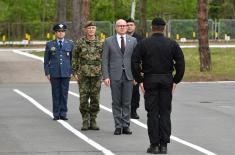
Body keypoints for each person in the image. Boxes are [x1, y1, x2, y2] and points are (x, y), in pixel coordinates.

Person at [131, 17, 185, 154]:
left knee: (153, 113)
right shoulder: (172, 43)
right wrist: (175, 80)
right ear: (164, 28)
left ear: (152, 28)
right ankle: (164, 145)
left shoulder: (143, 43)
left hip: (150, 80)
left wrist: (139, 79)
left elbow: (134, 62)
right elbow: (180, 63)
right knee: (165, 113)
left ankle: (154, 145)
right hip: (166, 79)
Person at [102, 19, 137, 135]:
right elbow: (105, 60)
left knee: (127, 102)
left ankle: (126, 125)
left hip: (129, 75)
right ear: (116, 27)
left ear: (127, 27)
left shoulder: (133, 41)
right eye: (120, 26)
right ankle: (118, 126)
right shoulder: (108, 41)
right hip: (114, 76)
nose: (122, 27)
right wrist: (106, 76)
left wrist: (137, 76)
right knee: (116, 102)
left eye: (124, 26)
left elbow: (136, 60)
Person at [72, 21, 103, 131]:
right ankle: (85, 120)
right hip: (83, 75)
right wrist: (74, 72)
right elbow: (75, 57)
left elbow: (105, 59)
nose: (91, 30)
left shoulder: (100, 43)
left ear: (95, 29)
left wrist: (104, 74)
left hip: (97, 75)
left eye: (93, 28)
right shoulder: (80, 42)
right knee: (84, 99)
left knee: (95, 99)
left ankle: (93, 120)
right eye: (89, 28)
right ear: (86, 30)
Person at [44, 23, 74, 121]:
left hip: (66, 73)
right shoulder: (50, 44)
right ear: (55, 33)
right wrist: (47, 72)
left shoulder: (70, 44)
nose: (60, 33)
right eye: (59, 31)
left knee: (64, 94)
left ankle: (63, 113)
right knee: (56, 93)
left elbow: (72, 60)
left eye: (62, 31)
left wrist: (71, 71)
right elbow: (46, 61)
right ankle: (56, 113)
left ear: (65, 33)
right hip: (54, 73)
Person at [126, 18, 143, 119]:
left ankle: (133, 110)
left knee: (135, 91)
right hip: (124, 67)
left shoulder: (140, 39)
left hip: (135, 68)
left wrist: (141, 70)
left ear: (134, 26)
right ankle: (124, 110)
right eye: (127, 25)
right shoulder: (121, 38)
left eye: (131, 25)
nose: (129, 27)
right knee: (124, 90)